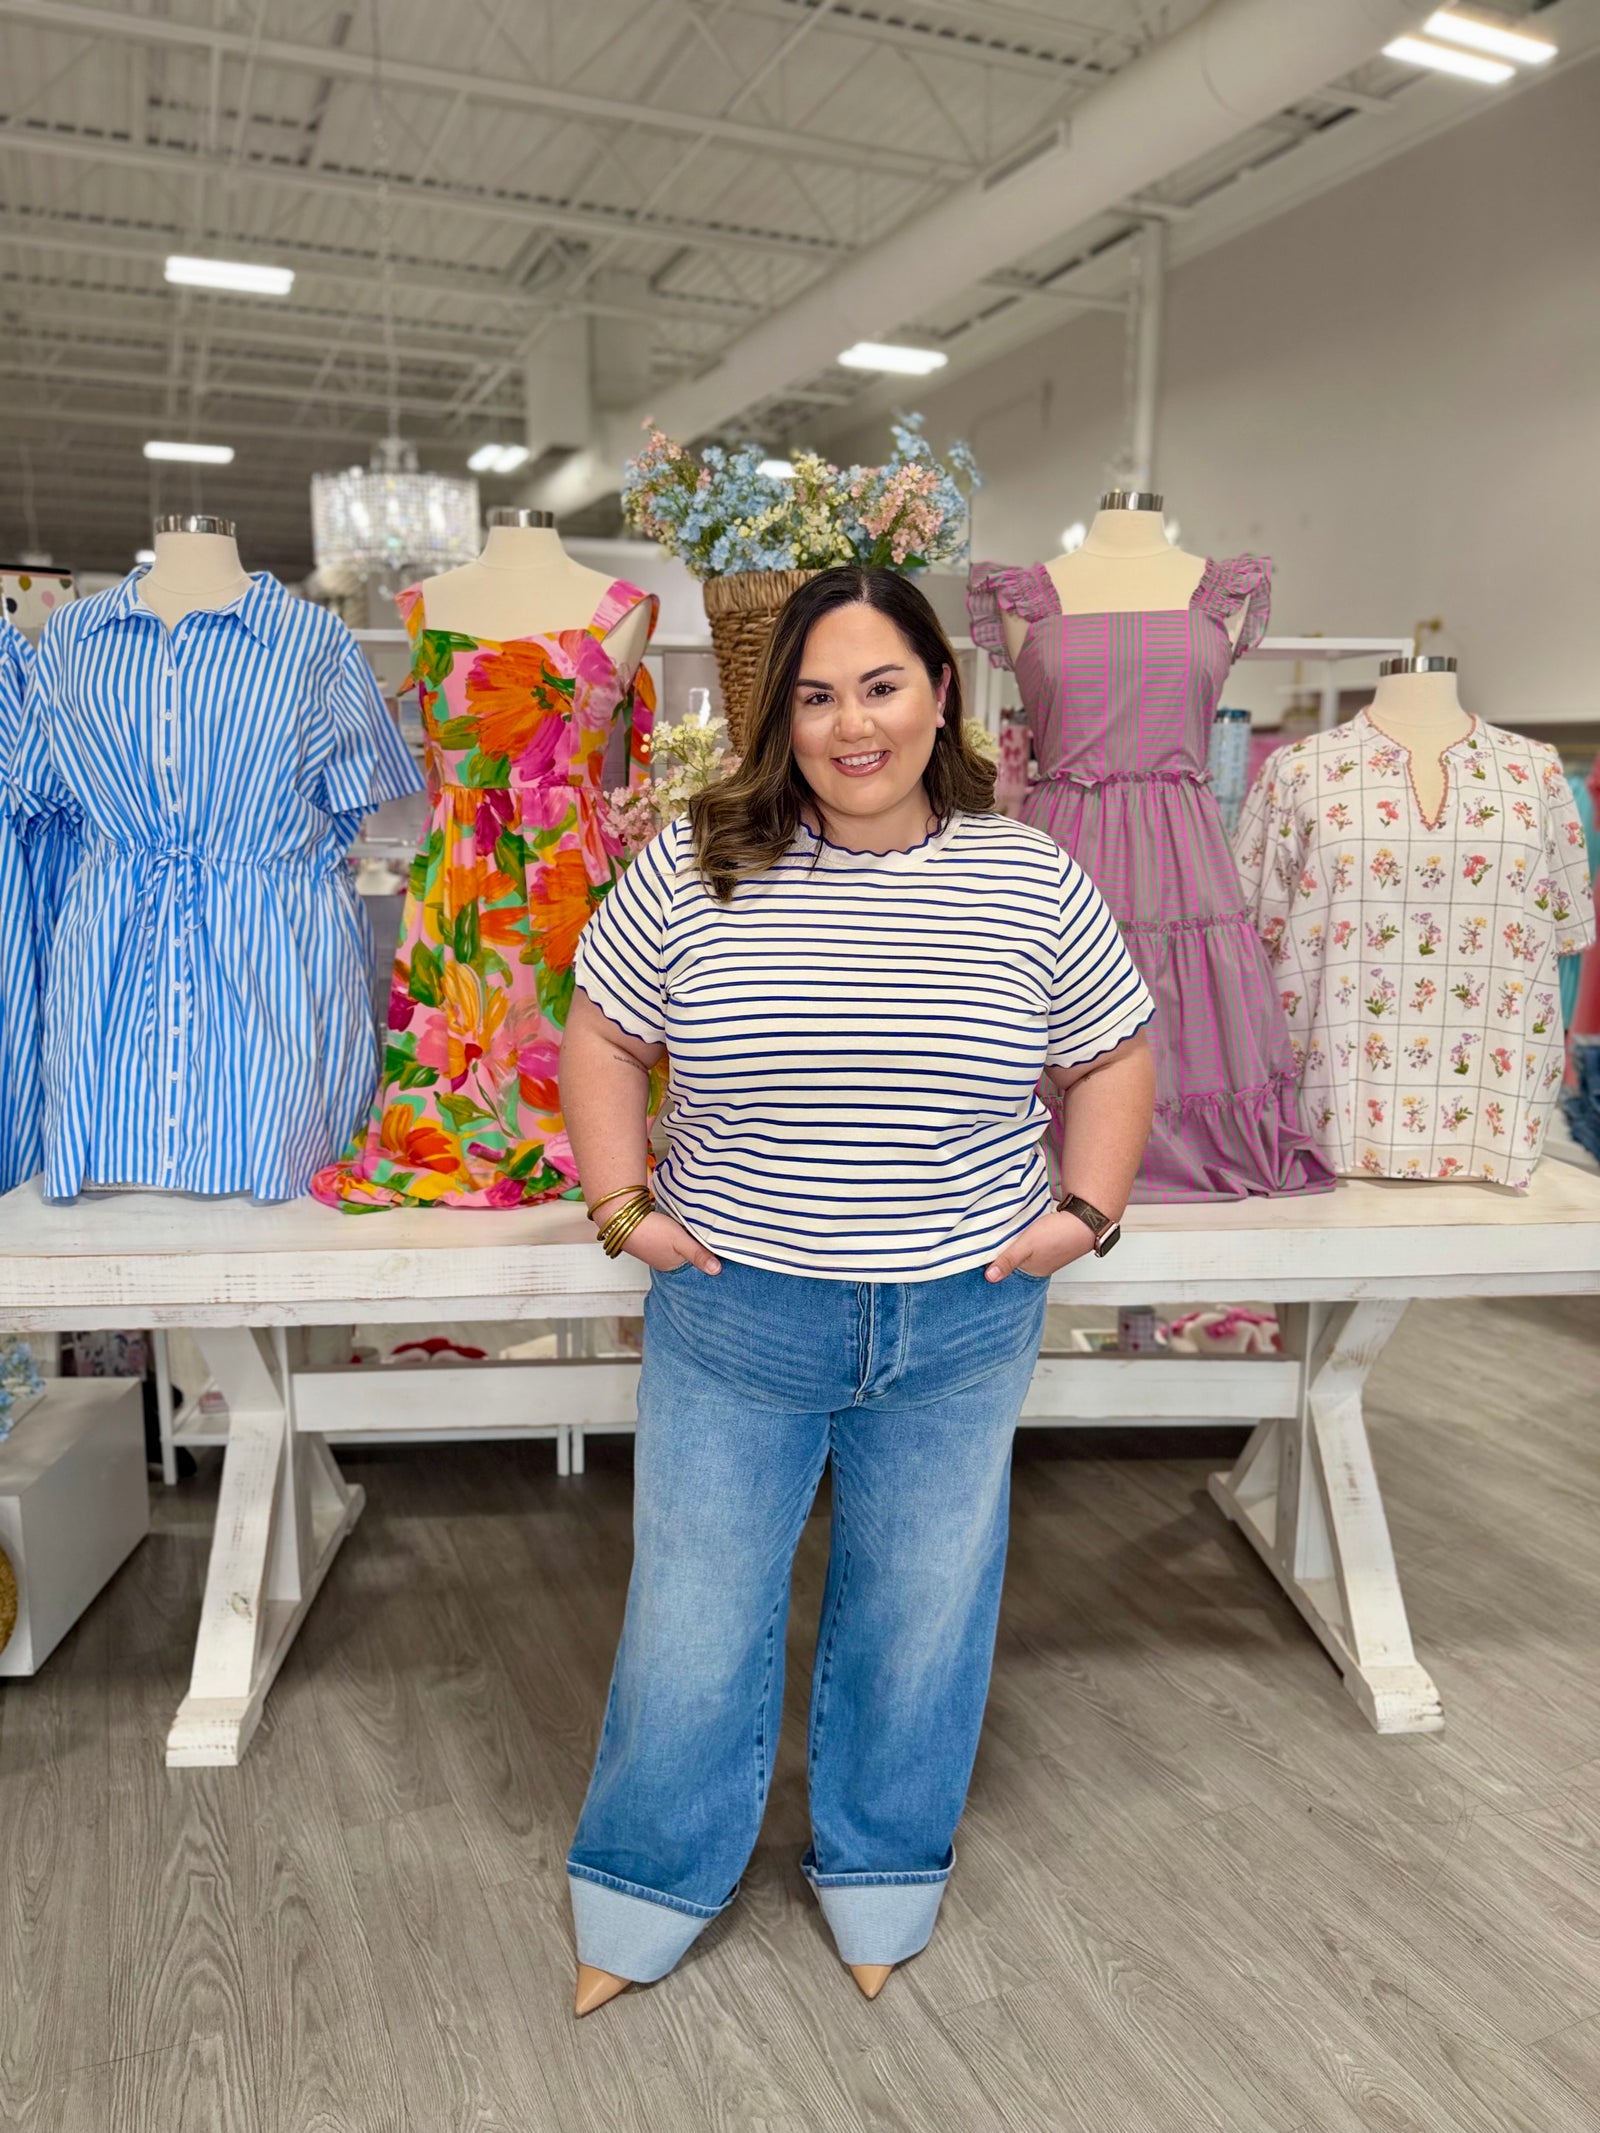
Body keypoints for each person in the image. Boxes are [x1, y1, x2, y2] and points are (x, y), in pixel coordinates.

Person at [559, 564, 1155, 2015]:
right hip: (738, 1309)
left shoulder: (1029, 876)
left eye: (881, 686)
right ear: (781, 716)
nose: (852, 725)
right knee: (694, 1613)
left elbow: (1114, 1049)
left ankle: (884, 1878)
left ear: (942, 693)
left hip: (962, 1316)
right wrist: (621, 1204)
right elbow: (603, 1033)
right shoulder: (699, 864)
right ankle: (641, 1892)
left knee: (922, 1610)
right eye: (817, 696)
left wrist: (1087, 1211)